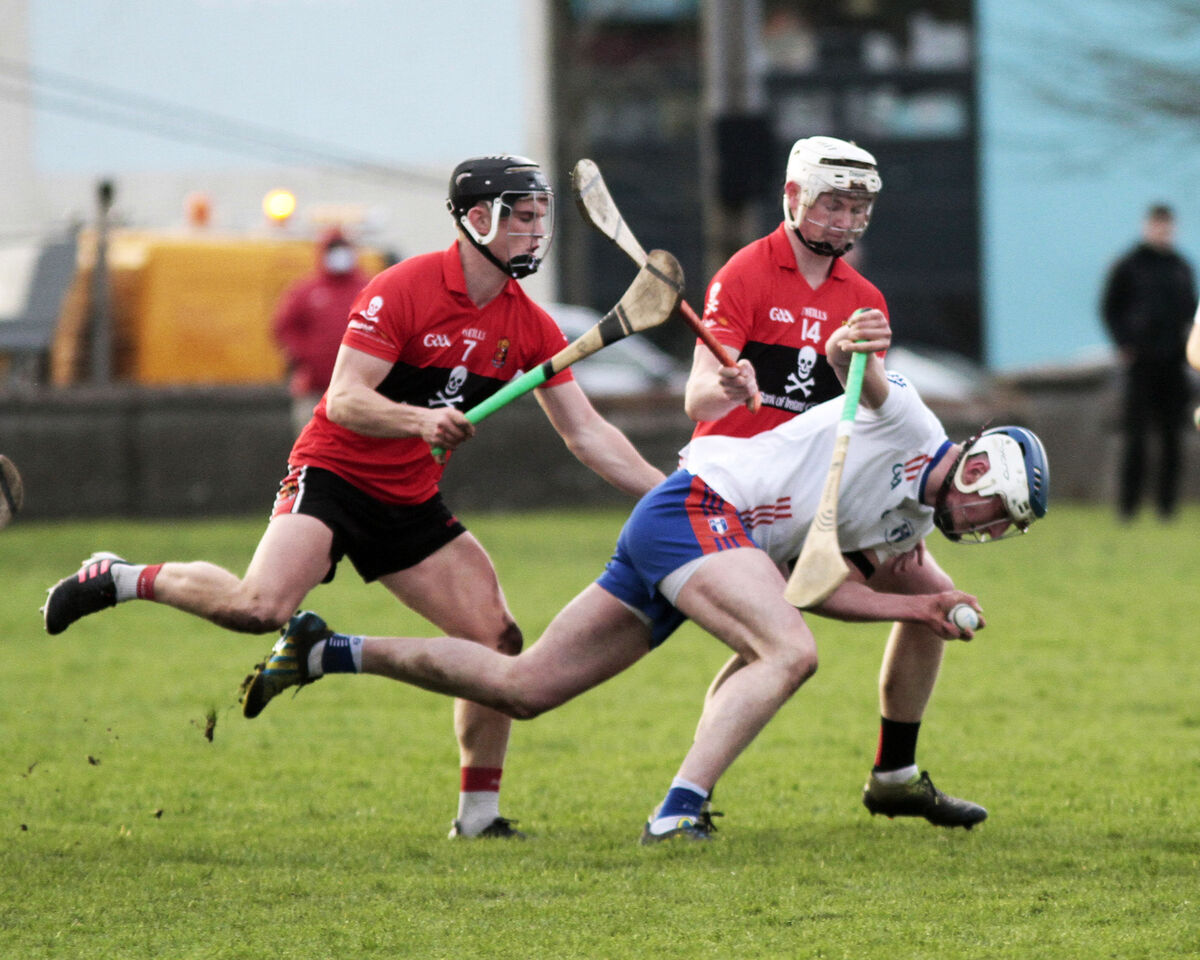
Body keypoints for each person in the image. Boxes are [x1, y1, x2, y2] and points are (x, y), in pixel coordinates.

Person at [236, 310, 1049, 843]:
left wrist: (926, 605)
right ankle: (680, 809)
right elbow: (862, 372)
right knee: (787, 654)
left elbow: (815, 588)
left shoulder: (906, 524)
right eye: (998, 514)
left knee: (527, 688)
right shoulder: (912, 421)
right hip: (698, 506)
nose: (991, 531)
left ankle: (325, 651)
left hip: (703, 533)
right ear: (978, 472)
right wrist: (851, 347)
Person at [41, 154, 667, 839]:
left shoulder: (528, 323)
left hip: (409, 501)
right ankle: (121, 577)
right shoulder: (403, 289)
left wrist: (672, 496)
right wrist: (418, 420)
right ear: (478, 218)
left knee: (496, 640)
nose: (535, 231)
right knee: (259, 608)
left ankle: (479, 817)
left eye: (540, 217)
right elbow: (343, 400)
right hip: (334, 478)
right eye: (523, 216)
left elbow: (588, 434)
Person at [682, 135, 985, 827]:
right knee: (769, 647)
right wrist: (729, 387)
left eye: (858, 207)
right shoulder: (745, 273)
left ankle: (895, 774)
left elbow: (881, 413)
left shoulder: (865, 296)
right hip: (735, 492)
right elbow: (698, 401)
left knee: (936, 598)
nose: (847, 220)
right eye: (834, 204)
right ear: (793, 197)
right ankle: (688, 793)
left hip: (823, 492)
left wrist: (898, 520)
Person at [1101, 203, 1197, 520]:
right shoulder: (1129, 266)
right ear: (1147, 226)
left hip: (1173, 363)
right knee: (1136, 438)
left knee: (1172, 437)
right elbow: (1110, 307)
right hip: (1140, 363)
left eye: (1167, 227)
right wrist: (1124, 343)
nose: (1162, 232)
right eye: (1157, 226)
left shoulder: (1181, 267)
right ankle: (1128, 508)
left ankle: (1167, 508)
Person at [272, 227, 374, 436]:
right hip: (314, 389)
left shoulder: (368, 289)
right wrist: (304, 355)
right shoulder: (307, 291)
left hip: (359, 391)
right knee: (312, 448)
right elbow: (284, 326)